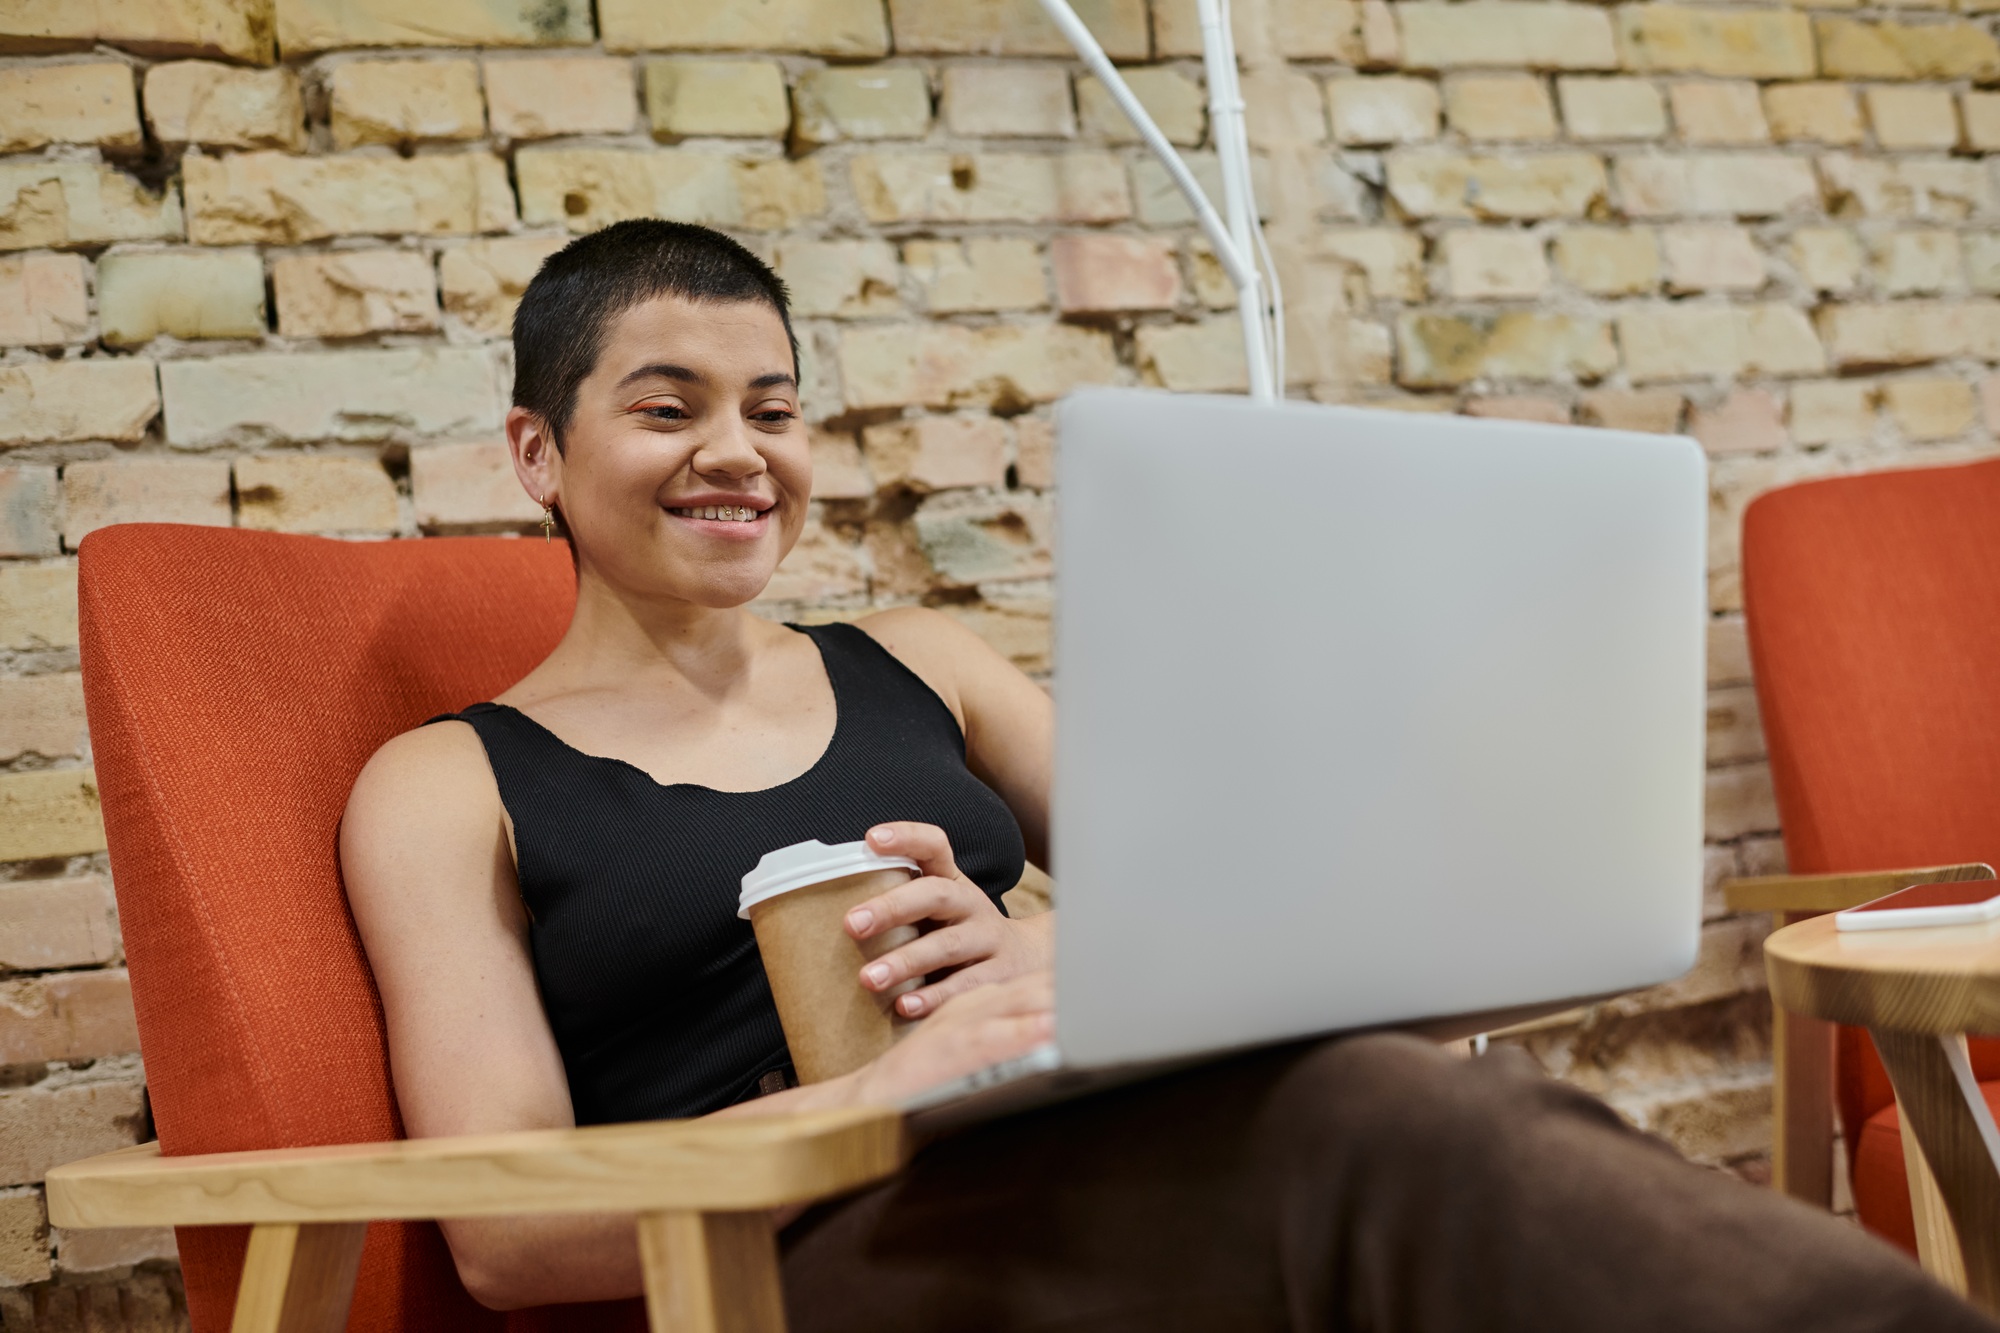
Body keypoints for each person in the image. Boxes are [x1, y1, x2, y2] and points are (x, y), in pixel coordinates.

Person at [339, 219, 1993, 1333]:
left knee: (1422, 1104)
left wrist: (1059, 958)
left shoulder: (925, 662)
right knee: (1372, 1130)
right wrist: (890, 1090)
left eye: (772, 408)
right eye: (666, 407)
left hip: (1078, 1158)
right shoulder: (449, 784)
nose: (737, 452)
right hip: (793, 1263)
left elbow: (1237, 908)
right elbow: (505, 1229)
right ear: (538, 451)